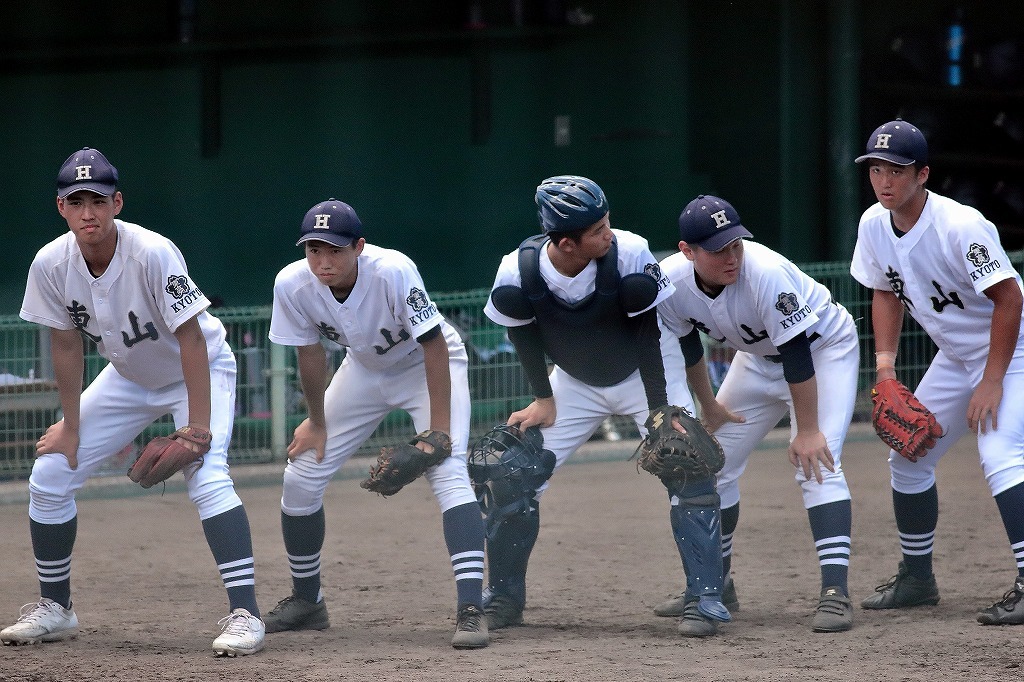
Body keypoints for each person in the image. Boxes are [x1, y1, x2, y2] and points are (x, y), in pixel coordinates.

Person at [2, 148, 265, 656]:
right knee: (52, 473)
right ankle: (56, 608)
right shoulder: (51, 263)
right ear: (61, 208)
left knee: (207, 475)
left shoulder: (152, 252)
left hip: (198, 370)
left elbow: (191, 337)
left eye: (97, 199)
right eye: (75, 201)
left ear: (116, 202)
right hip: (128, 377)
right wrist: (71, 426)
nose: (87, 212)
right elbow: (64, 343)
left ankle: (246, 615)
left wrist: (198, 427)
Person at [482, 175, 731, 636]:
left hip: (646, 372)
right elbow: (522, 333)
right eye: (597, 230)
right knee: (512, 475)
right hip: (575, 382)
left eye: (607, 221)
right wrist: (543, 398)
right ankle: (502, 598)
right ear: (565, 243)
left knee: (686, 464)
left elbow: (649, 333)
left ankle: (705, 598)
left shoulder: (631, 252)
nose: (609, 233)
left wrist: (662, 412)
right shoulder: (517, 270)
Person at [263, 199, 489, 649]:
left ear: (359, 247)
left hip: (425, 368)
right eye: (314, 250)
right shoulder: (292, 283)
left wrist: (438, 433)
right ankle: (308, 600)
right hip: (363, 371)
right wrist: (316, 421)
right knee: (302, 475)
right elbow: (309, 353)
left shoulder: (392, 271)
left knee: (449, 476)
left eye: (335, 250)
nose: (323, 261)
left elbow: (433, 345)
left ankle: (471, 608)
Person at [655, 194, 860, 634]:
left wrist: (806, 430)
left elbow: (797, 355)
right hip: (752, 360)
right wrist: (709, 406)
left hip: (823, 351)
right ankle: (715, 582)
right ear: (687, 251)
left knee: (818, 464)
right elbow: (690, 342)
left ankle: (835, 594)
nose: (731, 257)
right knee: (714, 465)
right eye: (718, 249)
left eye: (735, 244)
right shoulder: (670, 279)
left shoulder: (765, 273)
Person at [850, 119, 1024, 624]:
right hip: (955, 356)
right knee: (909, 456)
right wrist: (884, 369)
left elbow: (1009, 297)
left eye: (897, 170)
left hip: (1011, 352)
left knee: (1000, 452)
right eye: (876, 169)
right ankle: (918, 578)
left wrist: (991, 379)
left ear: (923, 174)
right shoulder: (873, 224)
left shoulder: (961, 226)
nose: (885, 180)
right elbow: (884, 290)